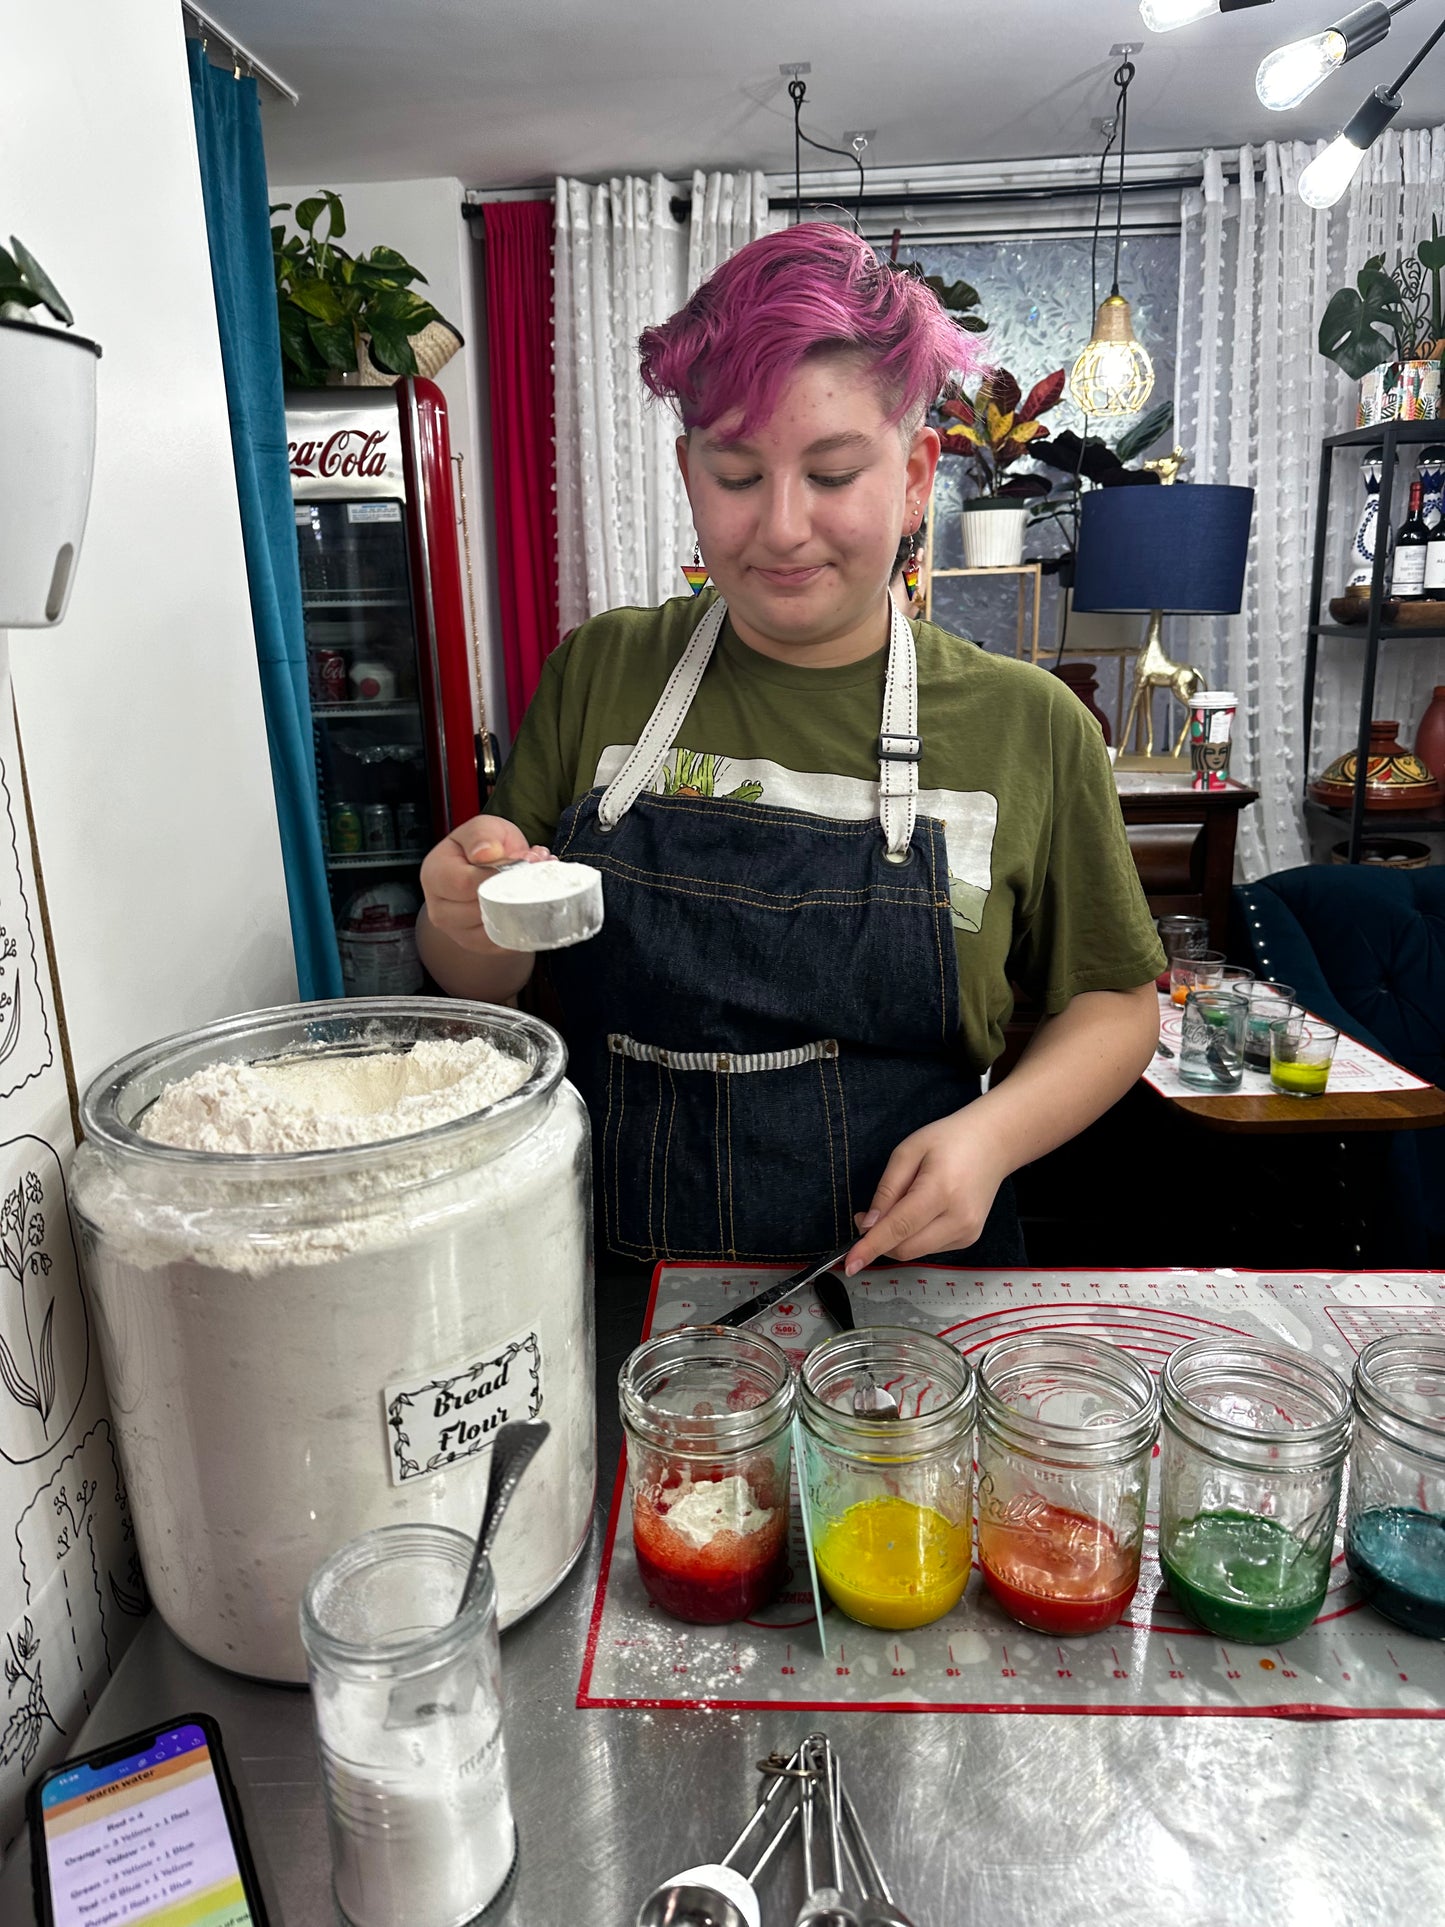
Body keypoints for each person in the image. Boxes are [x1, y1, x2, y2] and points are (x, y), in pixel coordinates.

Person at [419, 224, 1164, 1273]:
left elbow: (1116, 1003)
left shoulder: (1026, 724)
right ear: (687, 471)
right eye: (734, 472)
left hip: (906, 1298)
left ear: (913, 477)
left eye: (829, 473)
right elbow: (478, 980)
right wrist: (464, 908)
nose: (778, 526)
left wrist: (990, 1140)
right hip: (616, 1285)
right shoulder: (603, 671)